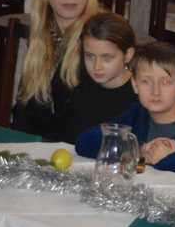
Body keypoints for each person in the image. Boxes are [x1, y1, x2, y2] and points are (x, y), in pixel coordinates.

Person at [75, 42, 175, 179]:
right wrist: (138, 149)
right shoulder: (136, 115)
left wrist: (169, 159)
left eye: (165, 82)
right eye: (146, 81)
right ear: (135, 85)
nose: (155, 91)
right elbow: (85, 142)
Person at [9, 0, 103, 141]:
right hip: (46, 148)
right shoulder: (42, 36)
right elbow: (26, 108)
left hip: (85, 149)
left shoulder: (99, 39)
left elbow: (84, 119)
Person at [58, 12, 139, 144]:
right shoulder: (81, 94)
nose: (97, 66)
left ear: (128, 55)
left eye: (107, 57)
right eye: (90, 56)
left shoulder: (142, 95)